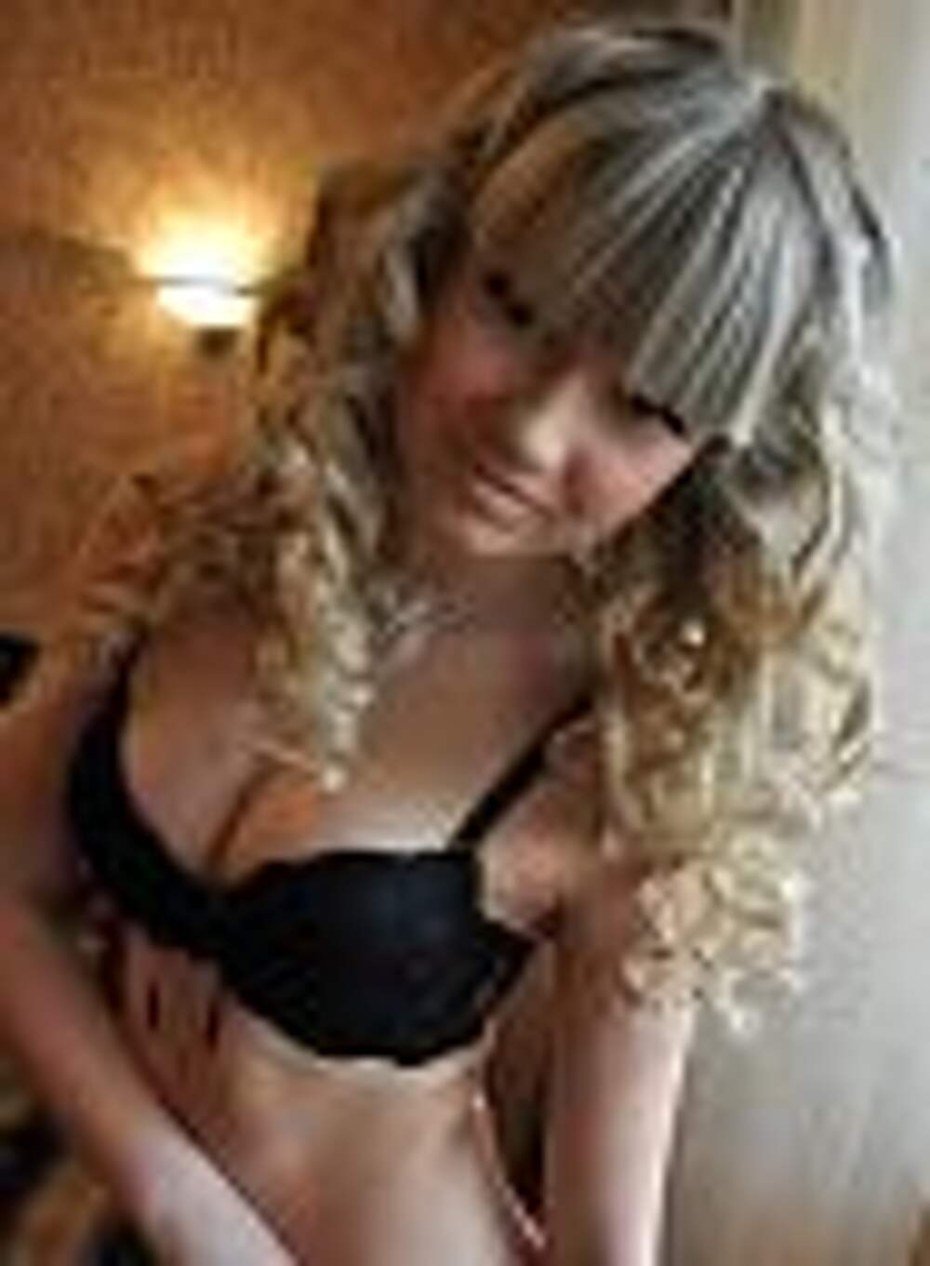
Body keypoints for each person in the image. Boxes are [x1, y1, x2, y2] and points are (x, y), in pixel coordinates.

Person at [0, 16, 898, 1266]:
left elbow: (606, 1243)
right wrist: (179, 1202)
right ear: (435, 247)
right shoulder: (188, 526)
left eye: (646, 405)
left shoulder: (629, 756)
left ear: (715, 461)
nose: (533, 431)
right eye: (515, 305)